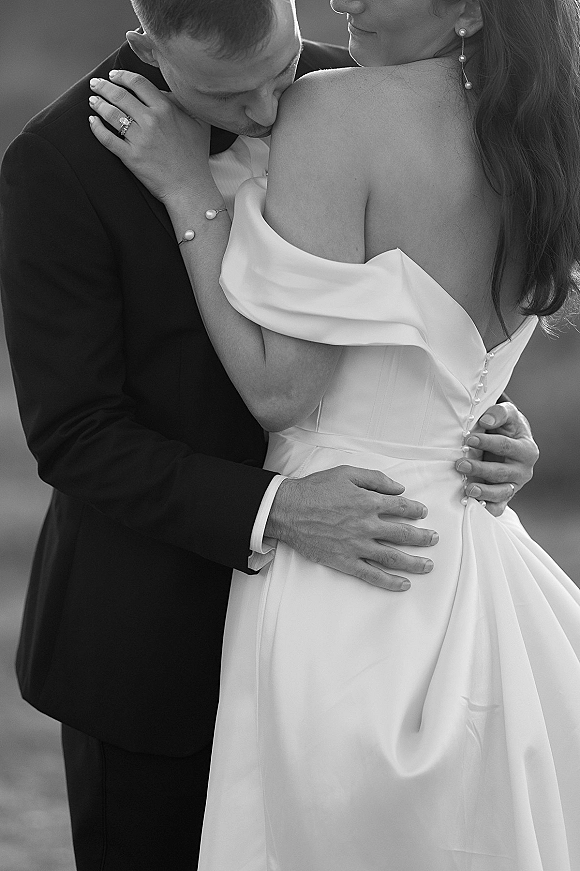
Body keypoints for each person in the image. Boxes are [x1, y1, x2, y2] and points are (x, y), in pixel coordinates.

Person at [0, 0, 538, 869]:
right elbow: (76, 432)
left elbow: (434, 305)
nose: (264, 112)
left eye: (278, 72)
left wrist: (484, 424)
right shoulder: (55, 165)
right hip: (153, 643)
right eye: (226, 95)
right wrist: (275, 510)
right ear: (148, 48)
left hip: (352, 634)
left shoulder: (348, 90)